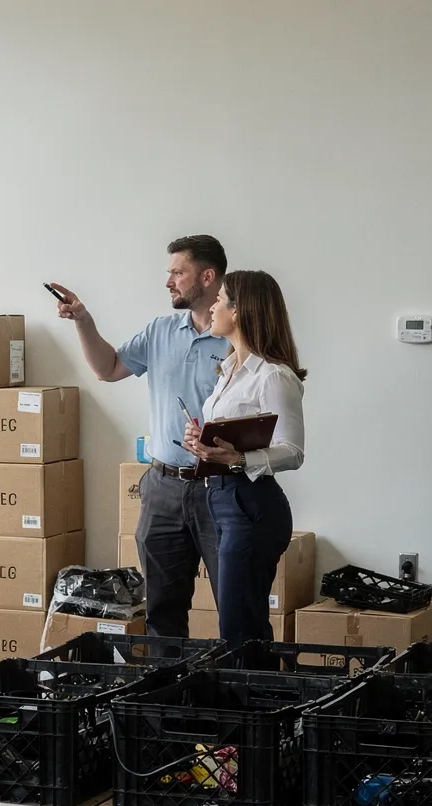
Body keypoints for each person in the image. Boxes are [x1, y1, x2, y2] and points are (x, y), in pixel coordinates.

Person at [50, 236, 230, 638]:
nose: (168, 281)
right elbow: (108, 369)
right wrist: (83, 320)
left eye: (178, 272)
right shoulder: (160, 331)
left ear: (207, 277)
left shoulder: (240, 337)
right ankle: (166, 681)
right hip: (163, 489)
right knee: (161, 613)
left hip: (220, 489)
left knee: (234, 610)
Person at [184, 270, 304, 643]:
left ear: (239, 311)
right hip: (220, 499)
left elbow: (293, 452)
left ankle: (251, 682)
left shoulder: (273, 376)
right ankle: (248, 680)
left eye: (219, 299)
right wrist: (202, 443)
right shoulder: (228, 370)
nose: (212, 307)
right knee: (238, 623)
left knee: (240, 627)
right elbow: (230, 442)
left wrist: (237, 460)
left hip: (250, 503)